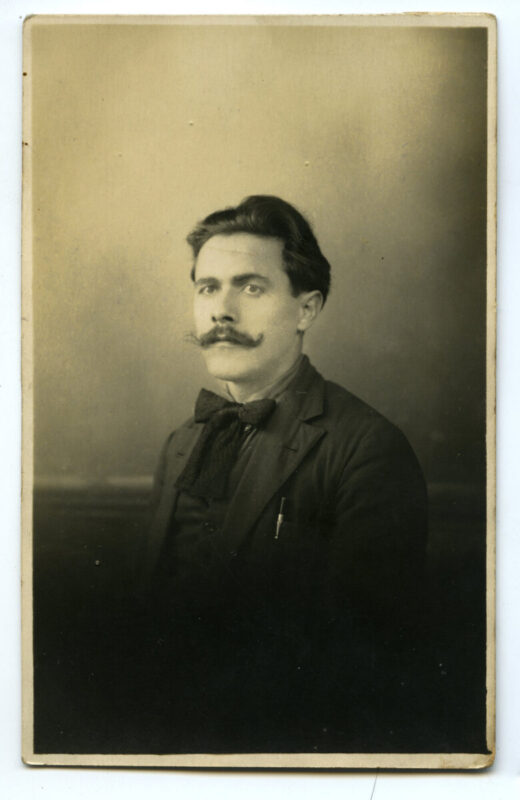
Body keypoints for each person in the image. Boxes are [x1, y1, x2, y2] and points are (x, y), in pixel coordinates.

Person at [135, 195, 429, 754]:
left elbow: (367, 663)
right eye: (207, 288)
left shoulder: (367, 449)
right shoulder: (180, 444)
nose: (221, 312)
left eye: (251, 288)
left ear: (306, 310)